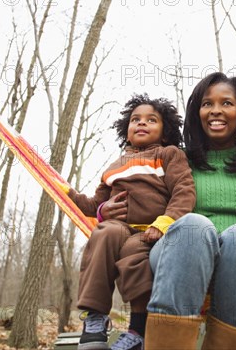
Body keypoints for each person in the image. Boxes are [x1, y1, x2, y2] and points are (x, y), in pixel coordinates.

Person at [140, 72, 236, 350]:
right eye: (207, 103)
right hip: (178, 252)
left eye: (227, 103)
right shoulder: (174, 157)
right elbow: (133, 189)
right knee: (195, 226)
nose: (215, 110)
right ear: (197, 112)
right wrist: (105, 207)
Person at [68, 94, 196, 350]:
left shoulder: (168, 155)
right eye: (135, 119)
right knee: (104, 234)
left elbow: (184, 192)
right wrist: (69, 195)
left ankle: (138, 330)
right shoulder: (115, 166)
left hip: (150, 231)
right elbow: (95, 206)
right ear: (126, 130)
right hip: (118, 226)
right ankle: (95, 318)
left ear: (165, 131)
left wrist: (164, 223)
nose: (142, 123)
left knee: (135, 259)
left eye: (151, 120)